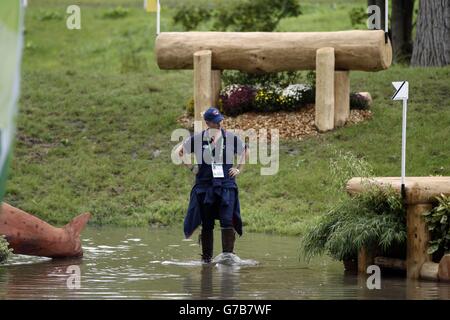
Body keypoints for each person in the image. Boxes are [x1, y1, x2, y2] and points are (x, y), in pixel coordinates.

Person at [177, 107, 248, 263]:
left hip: (226, 185)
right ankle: (207, 260)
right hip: (205, 186)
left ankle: (227, 258)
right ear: (208, 122)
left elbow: (244, 150)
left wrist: (238, 168)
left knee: (227, 220)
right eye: (216, 122)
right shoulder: (197, 139)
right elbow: (180, 152)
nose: (219, 124)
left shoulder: (230, 138)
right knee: (207, 223)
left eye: (220, 120)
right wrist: (192, 167)